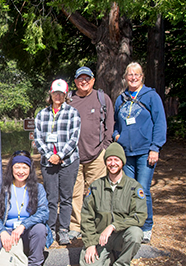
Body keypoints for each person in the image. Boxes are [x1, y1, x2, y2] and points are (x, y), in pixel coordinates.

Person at [113, 62, 167, 244]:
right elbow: (115, 124)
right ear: (126, 77)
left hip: (145, 152)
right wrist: (116, 136)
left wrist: (155, 147)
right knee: (129, 190)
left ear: (142, 76)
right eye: (130, 74)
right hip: (127, 153)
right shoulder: (121, 99)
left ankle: (146, 226)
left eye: (136, 74)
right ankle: (132, 225)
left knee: (142, 190)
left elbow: (160, 123)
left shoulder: (151, 96)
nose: (133, 77)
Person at [79, 142, 147, 266]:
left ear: (122, 162)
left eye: (116, 159)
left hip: (122, 235)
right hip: (100, 239)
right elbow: (87, 217)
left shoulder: (133, 187)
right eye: (109, 159)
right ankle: (109, 257)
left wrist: (113, 226)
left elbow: (139, 216)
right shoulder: (96, 186)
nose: (112, 163)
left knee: (136, 234)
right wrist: (90, 244)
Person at [0, 151, 53, 266]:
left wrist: (23, 225)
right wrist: (2, 232)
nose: (21, 171)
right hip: (8, 232)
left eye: (24, 167)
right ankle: (12, 264)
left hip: (27, 232)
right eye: (17, 167)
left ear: (30, 170)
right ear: (11, 168)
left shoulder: (38, 188)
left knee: (40, 229)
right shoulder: (2, 189)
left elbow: (43, 212)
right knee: (0, 242)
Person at [67, 67, 114, 243]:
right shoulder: (69, 99)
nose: (84, 81)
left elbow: (109, 124)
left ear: (93, 80)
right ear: (75, 81)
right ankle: (75, 226)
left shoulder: (102, 98)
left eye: (87, 78)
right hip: (73, 156)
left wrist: (105, 148)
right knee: (75, 193)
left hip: (97, 156)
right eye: (80, 79)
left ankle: (95, 224)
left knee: (97, 192)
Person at [34, 78, 81, 245]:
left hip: (68, 161)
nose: (58, 96)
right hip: (48, 162)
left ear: (66, 94)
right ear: (51, 93)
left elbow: (74, 138)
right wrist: (48, 155)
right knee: (51, 197)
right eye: (55, 93)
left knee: (66, 197)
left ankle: (64, 230)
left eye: (61, 93)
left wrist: (60, 155)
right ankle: (51, 228)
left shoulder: (72, 113)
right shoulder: (42, 114)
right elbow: (37, 138)